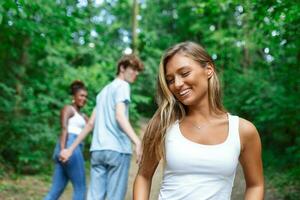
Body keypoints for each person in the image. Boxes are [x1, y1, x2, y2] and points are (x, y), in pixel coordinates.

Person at [133, 41, 264, 199]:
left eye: (185, 73)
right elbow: (143, 176)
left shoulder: (243, 130)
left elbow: (256, 185)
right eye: (170, 80)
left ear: (208, 69)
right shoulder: (163, 123)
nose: (177, 84)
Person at [60, 54, 144, 200]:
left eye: (138, 71)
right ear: (122, 68)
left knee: (94, 197)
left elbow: (90, 124)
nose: (136, 73)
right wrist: (137, 141)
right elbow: (120, 115)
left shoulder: (103, 92)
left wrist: (69, 149)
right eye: (133, 69)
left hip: (98, 151)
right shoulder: (123, 86)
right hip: (117, 150)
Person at [44, 80, 88, 200]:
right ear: (74, 96)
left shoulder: (83, 116)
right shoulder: (68, 109)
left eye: (86, 96)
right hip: (69, 146)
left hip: (73, 148)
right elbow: (64, 129)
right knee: (81, 188)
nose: (84, 98)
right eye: (81, 95)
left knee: (55, 191)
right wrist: (64, 151)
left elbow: (92, 126)